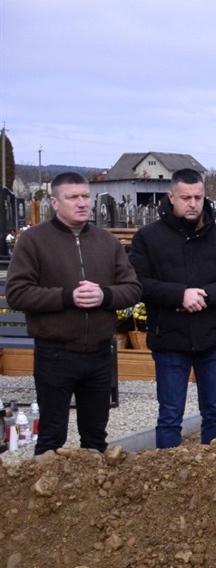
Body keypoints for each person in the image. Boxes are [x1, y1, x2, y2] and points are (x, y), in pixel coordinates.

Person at [5, 172, 142, 454]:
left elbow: (132, 289)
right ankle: (47, 496)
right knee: (52, 436)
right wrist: (67, 297)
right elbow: (17, 293)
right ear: (54, 202)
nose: (82, 203)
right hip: (55, 353)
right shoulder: (34, 241)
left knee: (95, 437)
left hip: (100, 354)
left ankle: (91, 494)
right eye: (73, 197)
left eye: (85, 196)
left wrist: (105, 295)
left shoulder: (106, 241)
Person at [130, 169, 216, 449]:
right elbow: (137, 282)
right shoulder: (149, 237)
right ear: (171, 197)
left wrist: (206, 296)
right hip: (170, 338)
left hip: (213, 338)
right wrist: (179, 295)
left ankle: (214, 475)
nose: (193, 203)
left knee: (215, 414)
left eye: (198, 197)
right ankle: (169, 476)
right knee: (170, 415)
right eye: (186, 198)